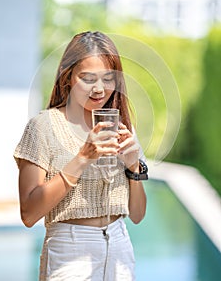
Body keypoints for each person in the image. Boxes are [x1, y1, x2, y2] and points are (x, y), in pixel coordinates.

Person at [14, 31, 147, 281]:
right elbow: (29, 214)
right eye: (87, 79)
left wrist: (134, 168)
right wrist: (83, 157)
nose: (99, 89)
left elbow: (138, 215)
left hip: (120, 247)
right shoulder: (43, 127)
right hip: (70, 250)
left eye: (108, 78)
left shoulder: (121, 127)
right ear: (68, 78)